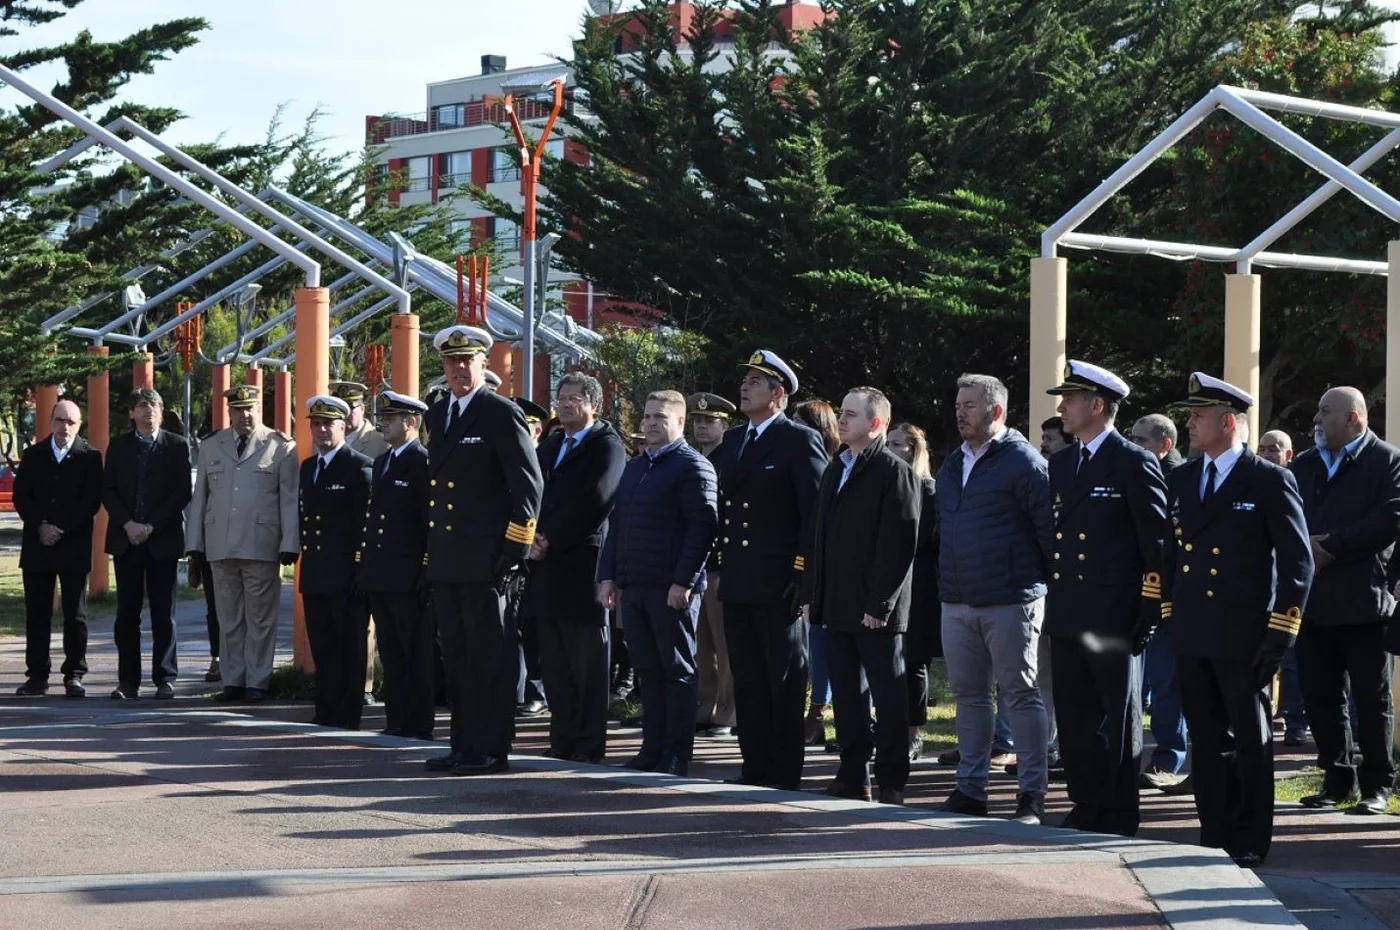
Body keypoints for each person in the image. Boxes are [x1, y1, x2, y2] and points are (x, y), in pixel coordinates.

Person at [1161, 372, 1312, 867]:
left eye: (1198, 416)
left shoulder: (1267, 478)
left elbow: (1297, 562)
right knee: (1206, 738)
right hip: (1194, 627)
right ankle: (1215, 828)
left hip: (1245, 632)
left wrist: (1281, 629)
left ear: (1228, 422)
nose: (1189, 423)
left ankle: (1249, 835)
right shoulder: (1182, 477)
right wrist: (1169, 611)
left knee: (1250, 738)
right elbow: (1168, 552)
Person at [1044, 361, 1167, 836]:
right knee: (1074, 714)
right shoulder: (1062, 462)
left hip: (1114, 614)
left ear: (1097, 406)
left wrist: (1150, 608)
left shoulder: (1133, 461)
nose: (1061, 408)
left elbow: (1155, 543)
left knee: (1117, 715)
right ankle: (1086, 800)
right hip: (1070, 609)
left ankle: (1117, 808)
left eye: (1069, 400)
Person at [422, 325, 543, 777]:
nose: (458, 368)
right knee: (456, 655)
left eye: (466, 360)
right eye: (451, 362)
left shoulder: (499, 412)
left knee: (489, 657)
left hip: (489, 558)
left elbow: (528, 487)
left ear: (482, 365)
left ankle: (491, 748)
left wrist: (515, 551)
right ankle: (463, 744)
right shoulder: (438, 415)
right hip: (450, 558)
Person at [936, 373, 1052, 824]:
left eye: (969, 405)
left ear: (996, 411)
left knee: (1020, 694)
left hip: (1010, 600)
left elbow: (1048, 534)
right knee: (969, 696)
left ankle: (1031, 795)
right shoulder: (952, 464)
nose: (960, 413)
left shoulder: (1024, 462)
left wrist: (1032, 585)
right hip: (958, 600)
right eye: (958, 405)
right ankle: (970, 788)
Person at [715, 351, 827, 791]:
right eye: (744, 379)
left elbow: (813, 513)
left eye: (756, 382)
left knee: (782, 676)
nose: (745, 387)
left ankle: (783, 769)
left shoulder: (798, 441)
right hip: (739, 577)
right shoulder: (734, 440)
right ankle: (754, 764)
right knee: (747, 676)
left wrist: (802, 575)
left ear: (778, 395)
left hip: (779, 579)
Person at [806, 388, 920, 804]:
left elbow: (899, 545)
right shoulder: (838, 467)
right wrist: (812, 593)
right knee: (848, 697)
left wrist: (880, 604)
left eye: (851, 414)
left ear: (876, 424)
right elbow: (818, 535)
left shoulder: (894, 472)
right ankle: (853, 773)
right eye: (841, 412)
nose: (842, 419)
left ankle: (891, 780)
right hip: (836, 603)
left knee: (888, 697)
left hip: (876, 610)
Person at [1289, 388, 1399, 816]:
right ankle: (1336, 781)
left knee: (1371, 702)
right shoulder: (1304, 464)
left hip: (1364, 603)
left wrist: (1329, 546)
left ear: (1354, 418)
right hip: (1313, 603)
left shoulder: (1387, 461)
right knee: (1320, 696)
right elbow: (1286, 514)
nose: (1317, 418)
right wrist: (1305, 547)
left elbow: (1389, 519)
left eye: (1326, 411)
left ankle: (1377, 786)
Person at [600, 390, 718, 775]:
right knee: (648, 671)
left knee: (678, 671)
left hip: (670, 590)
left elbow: (703, 529)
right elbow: (617, 526)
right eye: (647, 416)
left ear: (680, 422)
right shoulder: (636, 467)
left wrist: (683, 581)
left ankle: (676, 753)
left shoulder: (692, 466)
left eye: (660, 417)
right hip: (634, 585)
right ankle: (651, 748)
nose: (651, 423)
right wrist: (608, 577)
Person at [524, 373, 626, 763]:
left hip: (584, 566)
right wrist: (531, 536)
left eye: (574, 399)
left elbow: (597, 500)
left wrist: (551, 538)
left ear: (593, 405)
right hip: (545, 567)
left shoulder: (607, 446)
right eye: (561, 397)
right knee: (555, 660)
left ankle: (588, 742)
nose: (565, 404)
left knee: (586, 662)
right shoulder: (551, 446)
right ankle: (563, 737)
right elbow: (532, 491)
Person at [186, 384, 299, 703]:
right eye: (238, 409)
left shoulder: (280, 446)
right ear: (230, 412)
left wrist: (290, 541)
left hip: (261, 544)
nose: (244, 415)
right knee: (229, 618)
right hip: (220, 545)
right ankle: (233, 680)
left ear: (258, 410)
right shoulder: (211, 446)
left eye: (250, 408)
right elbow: (199, 500)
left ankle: (257, 681)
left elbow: (290, 499)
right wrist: (195, 545)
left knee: (261, 619)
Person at [103, 388, 192, 700]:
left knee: (163, 611)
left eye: (154, 405)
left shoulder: (177, 446)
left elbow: (181, 493)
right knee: (126, 612)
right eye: (142, 405)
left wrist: (150, 526)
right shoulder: (118, 446)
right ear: (132, 413)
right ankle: (128, 681)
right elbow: (108, 490)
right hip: (126, 539)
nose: (149, 410)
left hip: (162, 539)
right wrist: (129, 524)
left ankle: (165, 678)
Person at [13, 399, 103, 697]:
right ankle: (37, 676)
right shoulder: (33, 455)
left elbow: (90, 501)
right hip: (38, 544)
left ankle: (74, 674)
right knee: (37, 613)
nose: (64, 427)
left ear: (79, 426)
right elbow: (21, 496)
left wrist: (59, 528)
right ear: (50, 422)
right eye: (60, 420)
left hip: (73, 545)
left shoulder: (90, 457)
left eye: (71, 422)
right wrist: (41, 526)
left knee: (74, 614)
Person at [359, 390, 434, 740]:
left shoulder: (422, 462)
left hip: (407, 574)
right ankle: (397, 717)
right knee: (390, 650)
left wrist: (423, 568)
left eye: (390, 419)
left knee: (413, 651)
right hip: (381, 572)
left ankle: (417, 722)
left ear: (411, 422)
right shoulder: (383, 461)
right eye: (383, 418)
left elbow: (426, 523)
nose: (383, 425)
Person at [298, 396, 373, 730]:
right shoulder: (309, 467)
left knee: (350, 647)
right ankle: (326, 707)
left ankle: (347, 712)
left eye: (329, 423)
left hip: (346, 574)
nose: (322, 430)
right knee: (323, 644)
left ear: (344, 426)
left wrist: (359, 570)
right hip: (316, 571)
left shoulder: (358, 467)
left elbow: (365, 526)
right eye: (316, 424)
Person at [1129, 411, 1191, 790]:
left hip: (1177, 596)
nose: (1133, 447)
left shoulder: (1179, 480)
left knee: (1169, 681)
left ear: (1164, 445)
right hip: (1147, 592)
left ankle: (1170, 756)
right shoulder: (1140, 473)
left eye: (1141, 441)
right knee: (1152, 680)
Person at [330, 380, 389, 707]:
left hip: (370, 539)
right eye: (342, 409)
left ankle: (365, 685)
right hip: (337, 540)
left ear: (362, 409)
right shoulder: (330, 440)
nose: (347, 414)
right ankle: (341, 680)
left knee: (366, 621)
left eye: (351, 407)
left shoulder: (378, 442)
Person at [887, 422, 940, 763]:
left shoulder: (928, 489)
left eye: (897, 444)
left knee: (913, 661)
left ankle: (912, 732)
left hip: (918, 588)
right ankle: (890, 726)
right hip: (886, 585)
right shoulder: (883, 486)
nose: (889, 449)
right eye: (888, 443)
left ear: (914, 450)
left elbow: (925, 542)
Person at [689, 391, 739, 738]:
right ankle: (705, 705)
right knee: (702, 642)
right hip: (697, 565)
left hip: (720, 564)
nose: (703, 426)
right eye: (698, 420)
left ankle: (728, 710)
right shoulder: (694, 459)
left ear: (725, 425)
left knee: (725, 642)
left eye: (710, 421)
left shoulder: (731, 458)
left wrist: (721, 563)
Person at [792, 398, 840, 747]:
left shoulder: (832, 466)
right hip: (805, 569)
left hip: (832, 572)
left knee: (828, 643)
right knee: (815, 644)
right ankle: (815, 711)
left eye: (802, 423)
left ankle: (822, 712)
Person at [1257, 429, 1308, 746]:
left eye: (1274, 448)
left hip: (1289, 593)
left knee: (1292, 665)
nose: (1266, 453)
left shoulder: (1290, 485)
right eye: (1262, 448)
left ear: (1289, 455)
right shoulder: (1254, 483)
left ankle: (1295, 722)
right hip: (1260, 593)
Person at [512, 396, 551, 718]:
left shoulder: (544, 460)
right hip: (510, 553)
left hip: (538, 553)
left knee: (535, 627)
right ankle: (517, 689)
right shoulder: (505, 461)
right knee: (513, 625)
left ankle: (537, 690)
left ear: (536, 431)